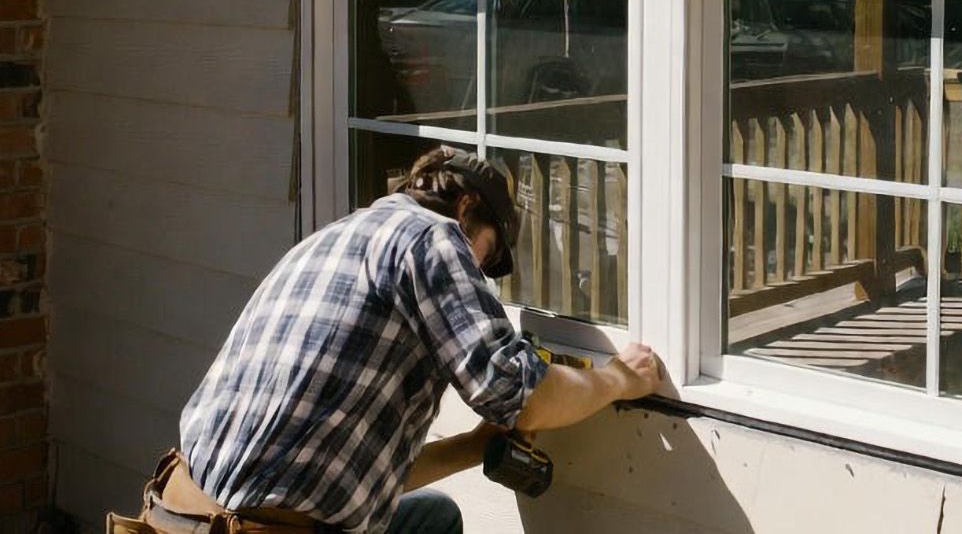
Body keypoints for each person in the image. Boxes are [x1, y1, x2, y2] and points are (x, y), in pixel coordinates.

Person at [128, 145, 662, 534]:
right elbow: (522, 395)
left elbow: (339, 476)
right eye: (488, 253)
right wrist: (618, 378)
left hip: (178, 513)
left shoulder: (337, 237)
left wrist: (473, 447)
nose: (480, 272)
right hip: (262, 531)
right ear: (465, 208)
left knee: (432, 517)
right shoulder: (432, 239)